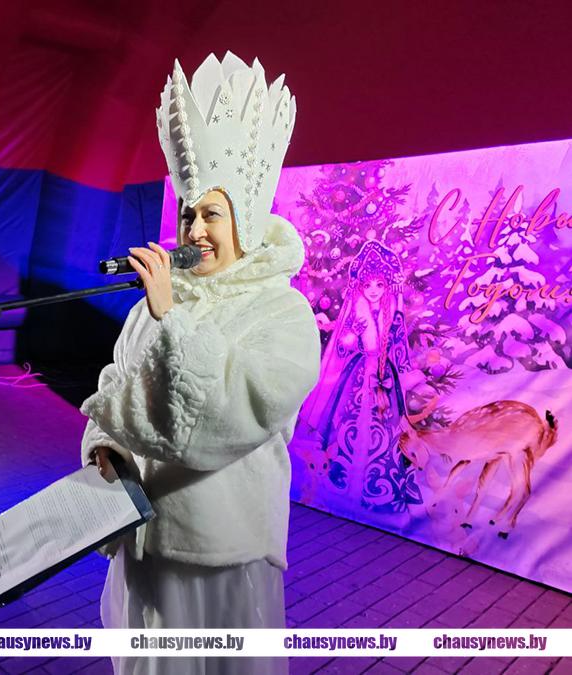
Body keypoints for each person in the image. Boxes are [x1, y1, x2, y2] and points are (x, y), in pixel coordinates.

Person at [78, 52, 321, 675]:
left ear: (246, 220)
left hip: (221, 553)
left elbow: (230, 418)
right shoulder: (156, 307)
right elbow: (116, 386)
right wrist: (106, 448)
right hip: (144, 545)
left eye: (212, 213)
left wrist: (171, 318)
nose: (195, 230)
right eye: (188, 213)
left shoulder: (282, 312)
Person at [299, 239, 423, 520]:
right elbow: (341, 348)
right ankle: (344, 482)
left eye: (379, 284)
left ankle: (380, 488)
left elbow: (400, 348)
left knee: (386, 430)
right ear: (360, 286)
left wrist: (406, 374)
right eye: (368, 285)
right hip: (357, 378)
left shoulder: (394, 314)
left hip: (385, 379)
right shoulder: (355, 312)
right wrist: (353, 338)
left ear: (387, 285)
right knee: (349, 425)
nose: (374, 290)